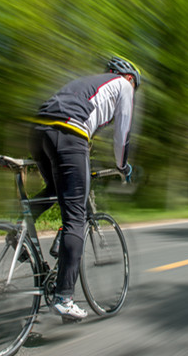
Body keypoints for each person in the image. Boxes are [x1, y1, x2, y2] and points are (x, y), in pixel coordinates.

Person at [28, 56, 141, 320]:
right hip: (68, 133)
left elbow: (85, 125)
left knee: (56, 190)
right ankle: (64, 297)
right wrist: (122, 166)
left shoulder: (87, 86)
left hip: (38, 130)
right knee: (76, 218)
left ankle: (18, 230)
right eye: (134, 85)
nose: (133, 90)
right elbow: (122, 136)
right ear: (128, 78)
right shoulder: (123, 86)